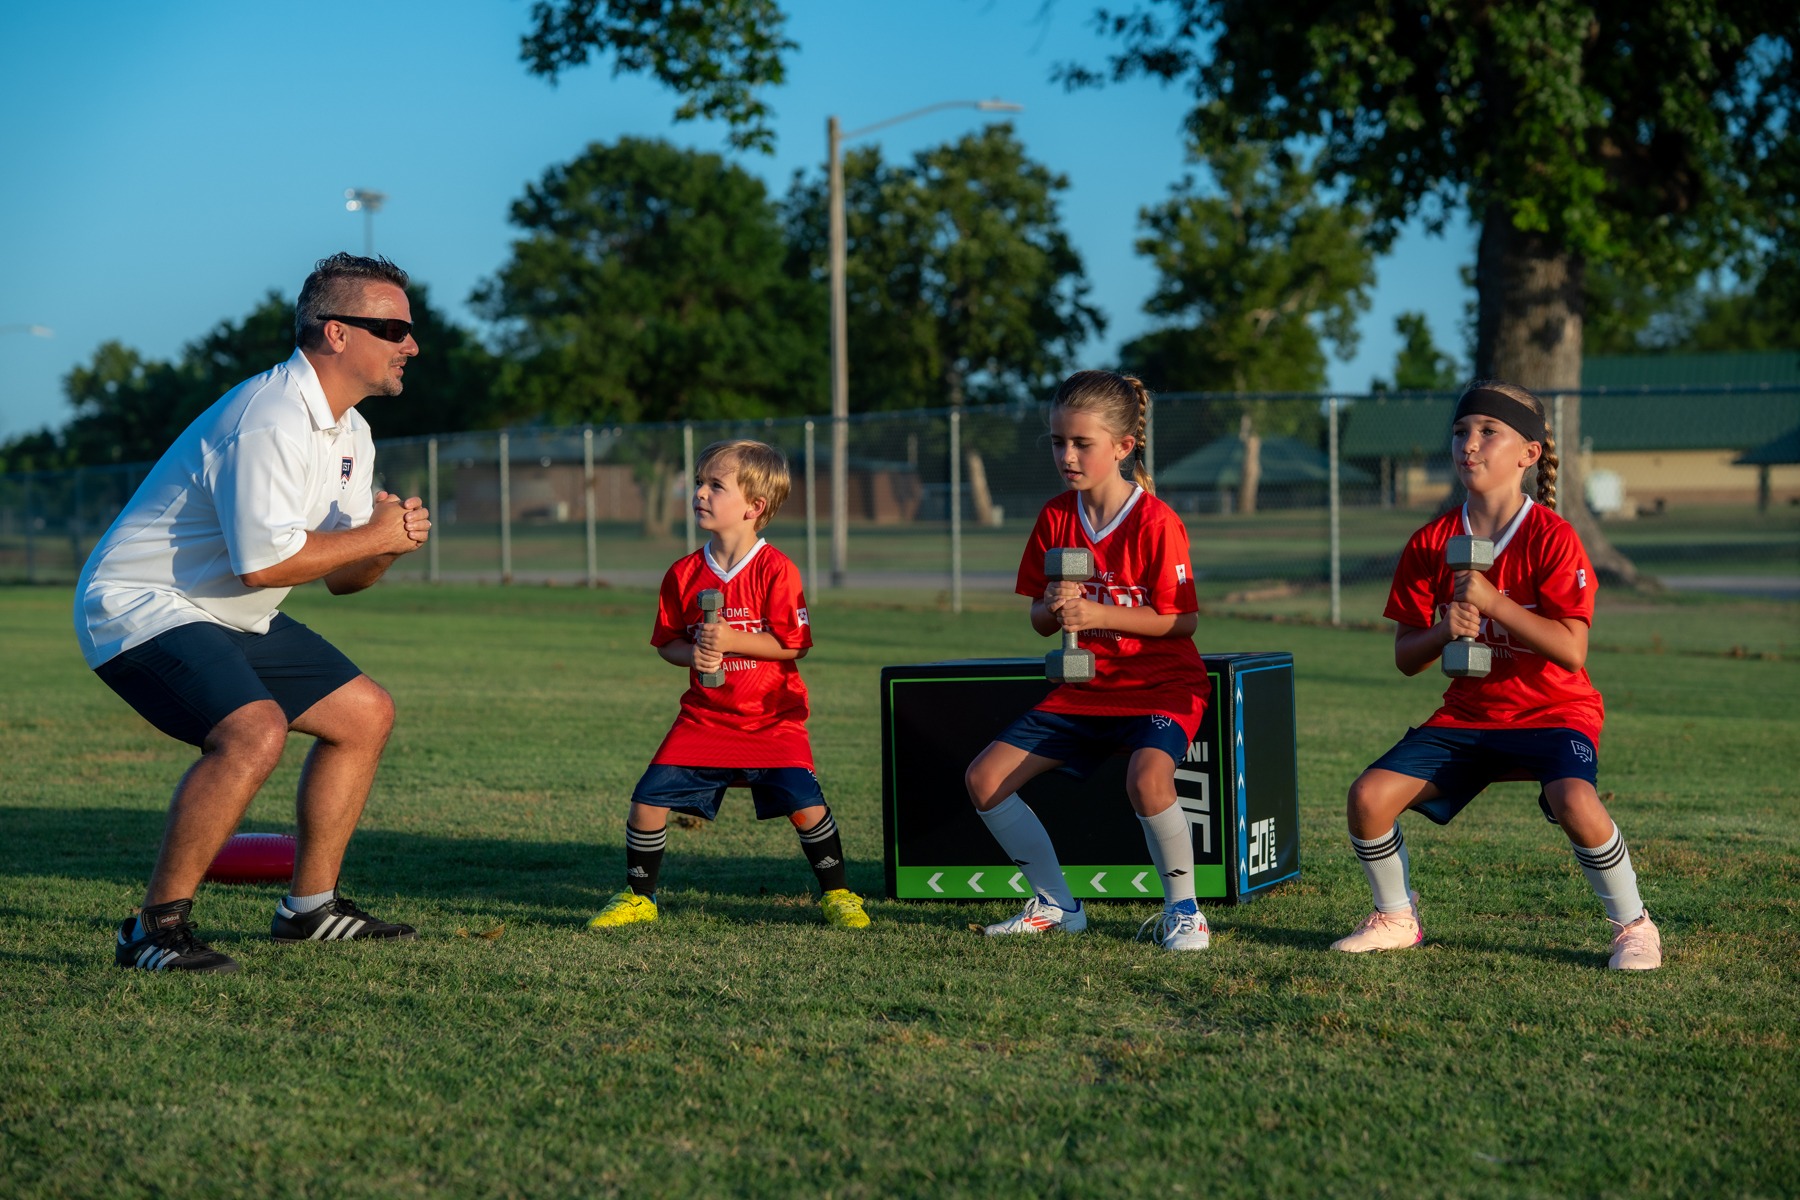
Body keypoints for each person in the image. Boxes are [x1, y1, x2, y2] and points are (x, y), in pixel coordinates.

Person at [77, 253, 432, 974]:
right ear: (336, 333)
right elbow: (264, 565)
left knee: (364, 714)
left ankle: (310, 910)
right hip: (139, 605)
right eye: (393, 328)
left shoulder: (351, 432)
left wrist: (386, 546)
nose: (411, 345)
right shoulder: (269, 417)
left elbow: (341, 580)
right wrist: (372, 534)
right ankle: (153, 929)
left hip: (231, 613)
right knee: (253, 730)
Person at [1332, 379, 1661, 970]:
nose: (1470, 445)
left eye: (1489, 432)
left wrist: (1494, 603)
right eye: (1461, 431)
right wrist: (1444, 628)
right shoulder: (1432, 540)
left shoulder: (1553, 537)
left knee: (1574, 800)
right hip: (1470, 715)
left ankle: (1634, 927)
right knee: (1368, 798)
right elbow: (1407, 657)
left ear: (1529, 454)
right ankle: (1396, 918)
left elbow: (1572, 650)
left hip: (1554, 711)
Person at [964, 370, 1212, 950]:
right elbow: (1039, 618)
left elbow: (1183, 621)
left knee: (1148, 780)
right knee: (984, 778)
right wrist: (1056, 608)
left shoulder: (1157, 521)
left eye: (1082, 443)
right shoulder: (1054, 518)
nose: (1066, 455)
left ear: (1124, 447)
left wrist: (1098, 611)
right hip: (1084, 691)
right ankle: (1057, 905)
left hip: (1163, 686)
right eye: (1057, 442)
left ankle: (1185, 912)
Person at [585, 439, 871, 931]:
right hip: (706, 716)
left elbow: (794, 644)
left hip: (770, 716)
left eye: (715, 485)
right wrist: (693, 653)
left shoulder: (776, 569)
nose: (699, 492)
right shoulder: (683, 573)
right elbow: (666, 644)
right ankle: (639, 898)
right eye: (700, 482)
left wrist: (735, 638)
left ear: (754, 507)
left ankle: (839, 895)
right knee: (647, 801)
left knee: (806, 806)